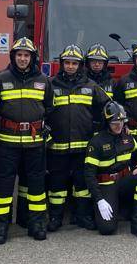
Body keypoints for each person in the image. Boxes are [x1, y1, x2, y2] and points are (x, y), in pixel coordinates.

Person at [0, 36, 53, 243]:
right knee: (4, 188)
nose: (23, 59)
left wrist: (46, 129)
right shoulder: (0, 79)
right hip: (6, 143)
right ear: (13, 56)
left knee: (36, 187)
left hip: (34, 144)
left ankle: (36, 224)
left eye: (27, 55)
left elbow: (50, 109)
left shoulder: (43, 81)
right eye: (19, 55)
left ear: (32, 58)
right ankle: (1, 228)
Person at [45, 45, 109, 232]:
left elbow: (108, 109)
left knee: (82, 185)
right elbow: (41, 111)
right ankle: (55, 218)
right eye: (67, 63)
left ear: (80, 65)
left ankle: (83, 217)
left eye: (74, 63)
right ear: (62, 64)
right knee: (57, 185)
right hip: (57, 146)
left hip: (83, 146)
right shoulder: (51, 85)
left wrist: (99, 133)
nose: (71, 66)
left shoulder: (91, 86)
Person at [84, 102, 137, 238]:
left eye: (121, 121)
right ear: (107, 121)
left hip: (124, 181)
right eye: (115, 122)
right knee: (107, 229)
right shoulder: (96, 142)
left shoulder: (127, 136)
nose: (119, 125)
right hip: (106, 185)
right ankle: (106, 209)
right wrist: (99, 200)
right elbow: (89, 174)